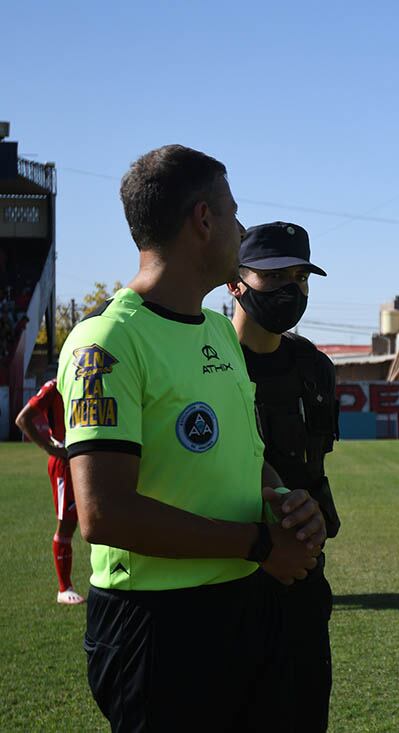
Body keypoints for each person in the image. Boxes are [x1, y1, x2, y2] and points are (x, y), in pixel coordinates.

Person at [56, 144, 326, 732]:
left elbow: (247, 459)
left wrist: (288, 505)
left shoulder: (217, 331)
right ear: (203, 220)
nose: (240, 228)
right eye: (233, 213)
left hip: (246, 602)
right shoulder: (106, 343)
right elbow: (104, 514)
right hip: (156, 626)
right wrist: (258, 544)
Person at [227, 221, 340, 732]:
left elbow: (314, 469)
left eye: (300, 276)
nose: (291, 290)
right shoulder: (207, 361)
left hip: (302, 575)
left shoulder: (314, 366)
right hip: (226, 574)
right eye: (274, 277)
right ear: (235, 281)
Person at [15, 377, 85, 605]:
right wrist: (48, 447)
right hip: (64, 461)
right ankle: (64, 588)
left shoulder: (86, 379)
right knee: (67, 523)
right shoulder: (54, 386)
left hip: (85, 457)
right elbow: (22, 419)